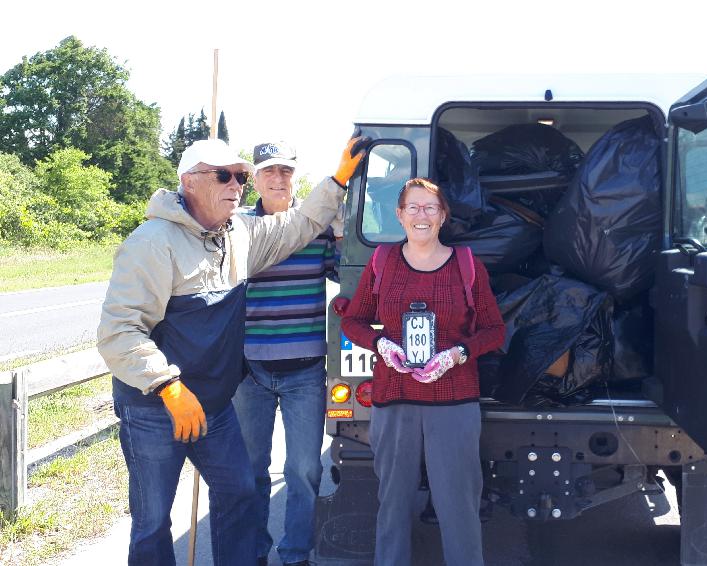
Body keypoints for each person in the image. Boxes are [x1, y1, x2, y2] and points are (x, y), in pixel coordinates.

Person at [97, 136, 368, 566]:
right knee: (152, 520)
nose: (236, 185)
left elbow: (297, 226)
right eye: (224, 175)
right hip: (156, 407)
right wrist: (167, 386)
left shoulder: (237, 235)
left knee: (240, 493)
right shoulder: (152, 243)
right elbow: (118, 332)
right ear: (188, 182)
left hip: (215, 404)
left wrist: (336, 181)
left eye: (239, 176)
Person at [340, 178, 505, 566]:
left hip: (454, 402)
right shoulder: (382, 262)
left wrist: (458, 354)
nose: (421, 215)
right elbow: (354, 321)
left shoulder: (466, 265)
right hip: (393, 399)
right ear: (398, 215)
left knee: (459, 506)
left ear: (443, 216)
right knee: (392, 505)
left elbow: (494, 330)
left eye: (430, 207)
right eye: (412, 207)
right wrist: (382, 344)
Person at [232, 141, 345, 566]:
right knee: (251, 473)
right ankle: (254, 552)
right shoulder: (238, 228)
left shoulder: (314, 223)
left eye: (285, 172)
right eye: (269, 172)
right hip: (251, 372)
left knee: (303, 471)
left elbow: (344, 271)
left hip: (306, 371)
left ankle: (296, 553)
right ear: (255, 179)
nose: (278, 179)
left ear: (295, 177)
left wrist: (338, 232)